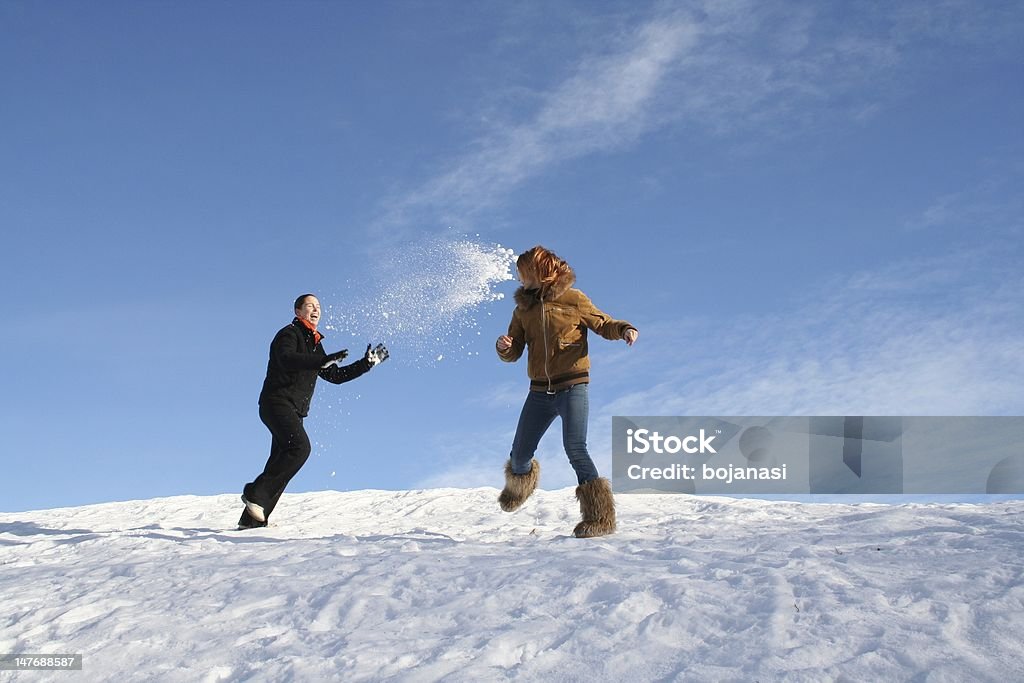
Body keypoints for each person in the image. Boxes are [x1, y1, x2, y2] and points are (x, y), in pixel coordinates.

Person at [496, 246, 638, 538]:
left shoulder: (573, 299)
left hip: (573, 386)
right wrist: (506, 349)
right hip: (539, 392)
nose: (519, 279)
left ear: (541, 271)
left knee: (575, 447)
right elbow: (515, 349)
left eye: (524, 273)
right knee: (520, 455)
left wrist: (623, 328)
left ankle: (599, 518)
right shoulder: (523, 310)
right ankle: (521, 487)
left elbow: (602, 322)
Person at [239, 294, 389, 529]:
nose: (316, 309)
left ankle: (251, 521)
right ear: (298, 311)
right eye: (310, 306)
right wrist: (320, 361)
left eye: (318, 306)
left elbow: (335, 376)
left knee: (281, 461)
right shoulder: (288, 334)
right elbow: (287, 358)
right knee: (300, 448)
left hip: (294, 410)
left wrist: (366, 364)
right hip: (276, 402)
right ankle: (255, 493)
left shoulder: (315, 344)